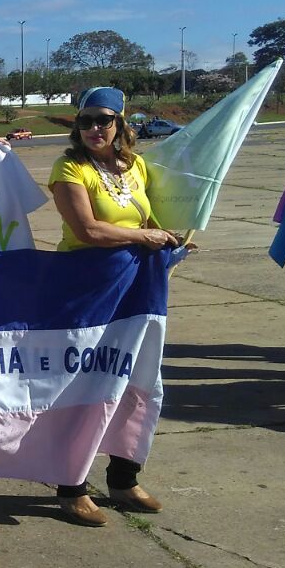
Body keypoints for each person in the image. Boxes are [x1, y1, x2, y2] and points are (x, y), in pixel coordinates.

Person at [47, 87, 180, 527]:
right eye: (85, 122)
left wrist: (169, 240)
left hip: (137, 290)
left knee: (139, 381)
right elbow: (88, 230)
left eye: (103, 120)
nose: (94, 129)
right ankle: (72, 488)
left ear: (120, 123)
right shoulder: (69, 168)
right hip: (88, 290)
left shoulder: (135, 166)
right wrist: (146, 239)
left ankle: (124, 478)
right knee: (88, 388)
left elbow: (146, 221)